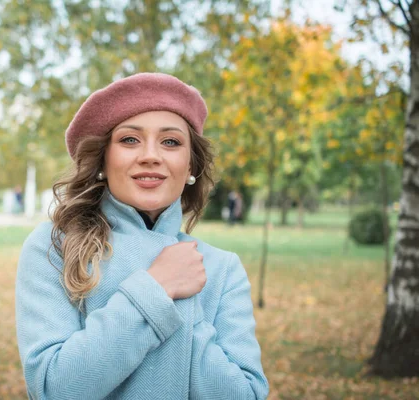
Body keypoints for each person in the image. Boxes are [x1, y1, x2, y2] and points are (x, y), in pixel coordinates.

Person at [15, 73, 269, 399]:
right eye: (130, 140)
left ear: (191, 165)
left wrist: (185, 301)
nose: (150, 155)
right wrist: (157, 289)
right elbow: (54, 389)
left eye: (171, 142)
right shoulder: (56, 247)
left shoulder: (222, 269)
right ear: (103, 160)